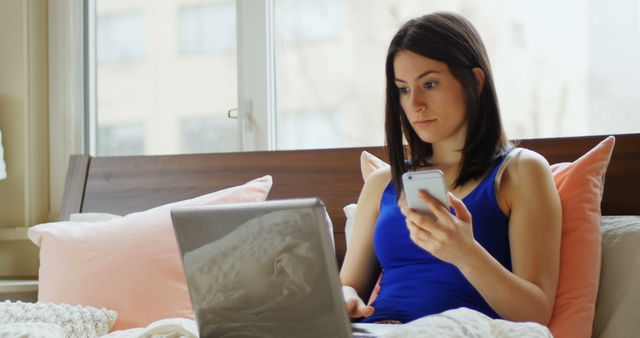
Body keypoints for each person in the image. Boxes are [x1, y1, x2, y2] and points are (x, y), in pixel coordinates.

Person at [340, 12, 562, 325]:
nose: (415, 103)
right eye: (403, 89)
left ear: (475, 80)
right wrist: (345, 298)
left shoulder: (521, 171)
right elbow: (348, 284)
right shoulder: (381, 183)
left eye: (429, 84)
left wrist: (465, 252)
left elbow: (536, 313)